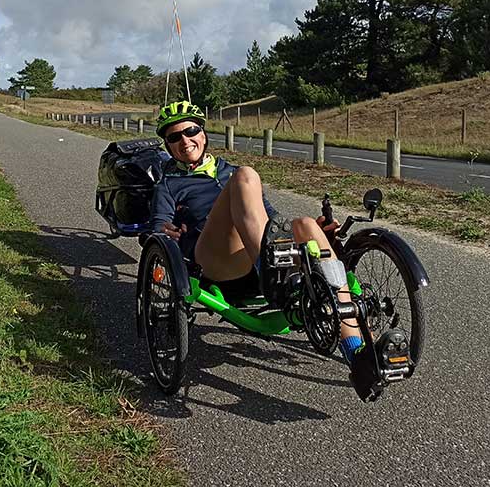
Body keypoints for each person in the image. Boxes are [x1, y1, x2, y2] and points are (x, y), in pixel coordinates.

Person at [149, 100, 392, 395]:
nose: (185, 141)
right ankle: (279, 280)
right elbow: (158, 227)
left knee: (305, 224)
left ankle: (358, 356)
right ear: (167, 145)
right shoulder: (170, 184)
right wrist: (166, 229)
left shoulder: (229, 170)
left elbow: (270, 222)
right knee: (246, 175)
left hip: (258, 253)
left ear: (203, 132)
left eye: (191, 131)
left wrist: (316, 234)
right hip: (217, 260)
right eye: (174, 137)